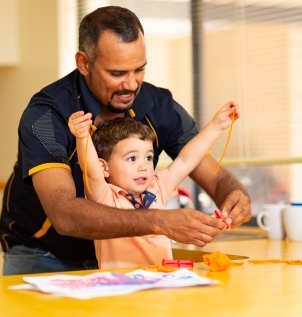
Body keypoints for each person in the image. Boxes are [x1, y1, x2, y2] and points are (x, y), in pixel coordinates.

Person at [0, 6, 251, 275]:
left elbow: (203, 167)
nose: (131, 85)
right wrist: (160, 221)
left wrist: (233, 194)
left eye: (139, 69)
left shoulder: (158, 105)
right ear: (84, 63)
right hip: (44, 254)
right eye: (117, 73)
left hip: (124, 261)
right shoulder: (46, 115)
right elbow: (65, 216)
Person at [68, 102, 240, 268]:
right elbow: (91, 171)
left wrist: (216, 126)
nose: (143, 166)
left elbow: (185, 160)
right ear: (104, 168)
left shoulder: (156, 187)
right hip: (120, 289)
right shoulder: (105, 197)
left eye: (148, 158)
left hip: (161, 284)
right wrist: (82, 137)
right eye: (132, 158)